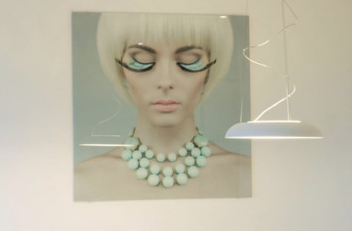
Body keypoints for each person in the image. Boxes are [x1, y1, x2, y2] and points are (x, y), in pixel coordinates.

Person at [74, 11, 249, 200]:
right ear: (120, 68)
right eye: (142, 59)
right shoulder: (83, 181)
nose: (165, 81)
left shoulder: (246, 176)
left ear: (210, 68)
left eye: (189, 60)